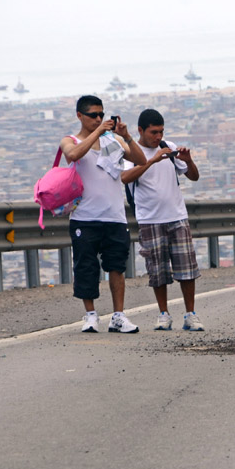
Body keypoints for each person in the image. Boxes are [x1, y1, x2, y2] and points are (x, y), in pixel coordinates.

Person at [61, 95, 147, 333]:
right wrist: (98, 132)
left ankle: (118, 316)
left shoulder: (114, 141)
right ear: (80, 115)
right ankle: (90, 315)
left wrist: (126, 136)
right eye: (93, 115)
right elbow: (73, 155)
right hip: (84, 217)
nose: (98, 119)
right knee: (86, 267)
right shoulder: (70, 140)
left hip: (114, 216)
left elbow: (140, 160)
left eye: (101, 115)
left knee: (117, 267)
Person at [121, 109, 204, 331]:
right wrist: (152, 161)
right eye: (153, 132)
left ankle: (190, 313)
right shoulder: (131, 152)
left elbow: (193, 176)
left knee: (187, 268)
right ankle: (163, 313)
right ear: (141, 130)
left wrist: (188, 160)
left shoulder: (170, 147)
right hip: (149, 219)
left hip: (177, 215)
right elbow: (125, 178)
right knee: (157, 270)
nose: (158, 137)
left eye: (161, 132)